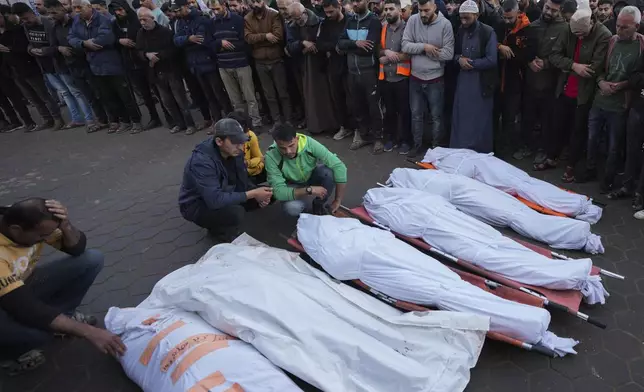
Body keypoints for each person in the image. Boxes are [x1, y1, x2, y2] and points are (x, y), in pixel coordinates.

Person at [0, 198, 125, 375]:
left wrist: (65, 225)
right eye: (42, 236)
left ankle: (62, 321)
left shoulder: (26, 221)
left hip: (18, 287)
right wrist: (89, 332)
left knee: (91, 260)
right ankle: (7, 357)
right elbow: (24, 307)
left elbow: (77, 249)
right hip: (8, 300)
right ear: (15, 230)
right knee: (39, 332)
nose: (46, 239)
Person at [179, 118, 273, 241]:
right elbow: (214, 200)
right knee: (235, 213)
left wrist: (257, 194)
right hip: (198, 204)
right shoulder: (201, 162)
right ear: (219, 141)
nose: (241, 146)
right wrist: (253, 193)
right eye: (235, 142)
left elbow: (242, 180)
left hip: (225, 189)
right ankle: (218, 231)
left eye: (241, 141)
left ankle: (232, 213)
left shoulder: (236, 150)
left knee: (268, 194)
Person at [584, 6, 644, 192]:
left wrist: (622, 85)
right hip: (600, 99)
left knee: (614, 146)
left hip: (621, 104)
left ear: (637, 26)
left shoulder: (642, 46)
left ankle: (608, 179)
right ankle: (589, 170)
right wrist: (601, 81)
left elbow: (639, 76)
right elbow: (599, 67)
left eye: (625, 27)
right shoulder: (612, 41)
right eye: (618, 25)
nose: (619, 30)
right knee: (592, 138)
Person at [14, 2, 100, 131]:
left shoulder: (48, 23)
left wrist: (45, 50)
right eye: (22, 20)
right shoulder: (27, 27)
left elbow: (55, 44)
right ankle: (77, 118)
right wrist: (32, 50)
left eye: (26, 18)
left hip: (61, 62)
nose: (25, 21)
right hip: (47, 66)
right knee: (65, 93)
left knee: (76, 92)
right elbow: (31, 44)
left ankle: (90, 119)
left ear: (31, 12)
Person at [546, 8, 610, 177]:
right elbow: (554, 55)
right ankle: (552, 156)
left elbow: (593, 69)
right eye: (576, 34)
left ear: (592, 23)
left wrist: (568, 66)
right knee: (557, 124)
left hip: (585, 92)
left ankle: (572, 165)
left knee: (578, 129)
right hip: (565, 87)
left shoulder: (604, 35)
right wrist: (574, 66)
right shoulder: (570, 29)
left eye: (582, 34)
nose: (579, 37)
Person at [68, 0, 143, 133]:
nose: (77, 10)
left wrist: (92, 43)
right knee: (109, 97)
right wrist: (84, 43)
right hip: (95, 65)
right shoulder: (77, 21)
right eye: (74, 8)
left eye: (79, 7)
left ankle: (136, 121)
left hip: (112, 63)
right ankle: (124, 121)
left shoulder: (102, 19)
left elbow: (106, 38)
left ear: (89, 7)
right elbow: (71, 38)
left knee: (125, 95)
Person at [46, 0, 109, 133]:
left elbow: (86, 39)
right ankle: (101, 119)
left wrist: (79, 44)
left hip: (87, 62)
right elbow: (51, 47)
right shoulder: (54, 27)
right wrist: (59, 48)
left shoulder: (76, 22)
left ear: (62, 8)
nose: (52, 16)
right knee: (88, 95)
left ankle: (112, 118)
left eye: (54, 12)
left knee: (100, 92)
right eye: (49, 13)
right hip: (71, 66)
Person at [402, 0, 454, 156]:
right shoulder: (413, 20)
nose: (423, 14)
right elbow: (405, 45)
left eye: (426, 10)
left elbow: (448, 54)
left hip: (435, 79)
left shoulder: (445, 25)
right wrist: (425, 47)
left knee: (436, 116)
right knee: (416, 115)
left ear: (435, 7)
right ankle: (417, 145)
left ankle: (435, 148)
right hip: (415, 77)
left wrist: (417, 48)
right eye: (420, 10)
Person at [136, 7, 198, 135]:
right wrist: (146, 55)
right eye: (140, 20)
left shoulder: (165, 32)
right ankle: (178, 123)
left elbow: (174, 50)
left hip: (170, 70)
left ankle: (190, 124)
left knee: (181, 99)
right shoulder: (140, 34)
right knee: (167, 102)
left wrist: (158, 56)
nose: (142, 22)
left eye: (145, 19)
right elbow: (138, 50)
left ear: (152, 18)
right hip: (155, 72)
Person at [1, 6, 62, 133]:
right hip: (13, 70)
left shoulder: (16, 29)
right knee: (32, 98)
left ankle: (57, 118)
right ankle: (47, 119)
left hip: (28, 66)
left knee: (43, 95)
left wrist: (10, 49)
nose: (23, 20)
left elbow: (25, 46)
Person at [265, 123, 347, 216]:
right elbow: (278, 192)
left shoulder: (308, 143)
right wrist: (309, 190)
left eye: (291, 145)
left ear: (297, 139)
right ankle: (306, 214)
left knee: (328, 173)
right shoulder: (270, 156)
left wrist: (337, 200)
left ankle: (318, 204)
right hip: (291, 184)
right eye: (282, 148)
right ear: (276, 143)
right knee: (292, 208)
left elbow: (339, 166)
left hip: (311, 174)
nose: (288, 151)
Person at [520, 0, 567, 163]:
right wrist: (529, 62)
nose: (548, 12)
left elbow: (565, 57)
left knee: (548, 121)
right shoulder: (532, 26)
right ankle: (527, 146)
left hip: (551, 83)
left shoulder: (565, 30)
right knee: (528, 117)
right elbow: (524, 49)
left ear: (560, 11)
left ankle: (543, 150)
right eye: (547, 8)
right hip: (530, 80)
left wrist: (546, 64)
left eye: (554, 11)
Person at [110, 0, 168, 132]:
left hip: (144, 61)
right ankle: (154, 117)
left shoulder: (136, 20)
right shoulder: (115, 24)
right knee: (145, 94)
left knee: (159, 91)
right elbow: (110, 40)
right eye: (115, 11)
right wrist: (120, 41)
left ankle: (169, 115)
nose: (118, 13)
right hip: (130, 63)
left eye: (120, 9)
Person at [173, 0, 232, 126]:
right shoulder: (180, 22)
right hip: (195, 64)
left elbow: (201, 39)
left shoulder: (201, 19)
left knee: (219, 94)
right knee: (208, 96)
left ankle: (229, 119)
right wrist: (188, 38)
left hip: (208, 62)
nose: (176, 13)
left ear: (185, 6)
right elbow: (176, 41)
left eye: (178, 10)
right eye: (175, 10)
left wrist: (186, 40)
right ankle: (217, 121)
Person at [450, 0, 498, 153]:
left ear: (476, 15)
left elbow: (492, 60)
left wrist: (470, 63)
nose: (463, 21)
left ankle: (479, 154)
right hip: (463, 82)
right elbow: (454, 54)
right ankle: (459, 152)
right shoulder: (460, 30)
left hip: (481, 83)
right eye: (461, 18)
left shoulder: (488, 32)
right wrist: (459, 59)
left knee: (480, 120)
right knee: (461, 118)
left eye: (467, 18)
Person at [286, 2, 340, 134]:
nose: (297, 21)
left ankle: (332, 126)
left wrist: (316, 46)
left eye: (299, 18)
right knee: (310, 97)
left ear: (304, 13)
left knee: (326, 95)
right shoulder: (292, 26)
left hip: (321, 64)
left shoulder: (320, 22)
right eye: (295, 19)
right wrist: (302, 43)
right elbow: (289, 47)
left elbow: (326, 41)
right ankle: (315, 126)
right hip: (304, 66)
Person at [338, 0, 384, 153]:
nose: (355, 4)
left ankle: (378, 138)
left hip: (369, 71)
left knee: (374, 107)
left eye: (358, 1)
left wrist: (348, 46)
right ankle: (363, 136)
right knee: (357, 106)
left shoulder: (374, 21)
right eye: (353, 1)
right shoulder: (350, 20)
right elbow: (339, 43)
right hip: (352, 72)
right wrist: (356, 43)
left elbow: (369, 49)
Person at [211, 0, 262, 128]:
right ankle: (241, 125)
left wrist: (227, 46)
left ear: (224, 5)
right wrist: (220, 44)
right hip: (224, 66)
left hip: (241, 64)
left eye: (217, 8)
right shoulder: (212, 22)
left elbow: (244, 43)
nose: (215, 12)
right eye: (212, 10)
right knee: (235, 100)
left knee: (250, 97)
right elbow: (209, 43)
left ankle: (256, 123)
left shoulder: (238, 20)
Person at [244, 0, 293, 130]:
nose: (255, 4)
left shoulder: (274, 14)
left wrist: (259, 39)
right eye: (252, 1)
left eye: (258, 1)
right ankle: (277, 121)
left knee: (283, 93)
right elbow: (248, 38)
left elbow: (278, 36)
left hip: (276, 59)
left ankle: (288, 120)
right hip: (260, 61)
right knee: (269, 95)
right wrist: (266, 36)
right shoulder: (248, 18)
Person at [608, 44, 644, 214]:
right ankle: (627, 186)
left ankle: (640, 194)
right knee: (631, 149)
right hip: (639, 107)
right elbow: (634, 76)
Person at [495, 0, 533, 155]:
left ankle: (508, 150)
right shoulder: (499, 25)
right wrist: (499, 47)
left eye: (510, 18)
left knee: (510, 118)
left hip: (515, 80)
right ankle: (496, 147)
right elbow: (490, 41)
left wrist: (510, 53)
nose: (507, 21)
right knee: (495, 116)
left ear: (518, 13)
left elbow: (527, 55)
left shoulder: (527, 30)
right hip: (497, 78)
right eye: (505, 17)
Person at [378, 0, 413, 154]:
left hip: (402, 78)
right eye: (385, 9)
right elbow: (378, 48)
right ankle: (390, 139)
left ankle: (405, 141)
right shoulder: (384, 28)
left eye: (391, 9)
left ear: (400, 10)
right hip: (386, 77)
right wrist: (384, 52)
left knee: (405, 112)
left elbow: (411, 52)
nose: (387, 12)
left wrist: (393, 56)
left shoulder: (408, 28)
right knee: (389, 111)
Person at [319, 0, 354, 141]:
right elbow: (320, 44)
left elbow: (353, 42)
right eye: (326, 12)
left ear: (339, 7)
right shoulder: (325, 24)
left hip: (350, 65)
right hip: (333, 65)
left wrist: (344, 46)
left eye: (331, 11)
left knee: (353, 99)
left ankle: (357, 129)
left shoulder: (350, 21)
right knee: (338, 98)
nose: (328, 15)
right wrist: (336, 46)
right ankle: (344, 127)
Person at [228, 110, 267, 184]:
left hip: (251, 173)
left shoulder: (250, 135)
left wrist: (247, 163)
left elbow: (260, 159)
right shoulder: (226, 143)